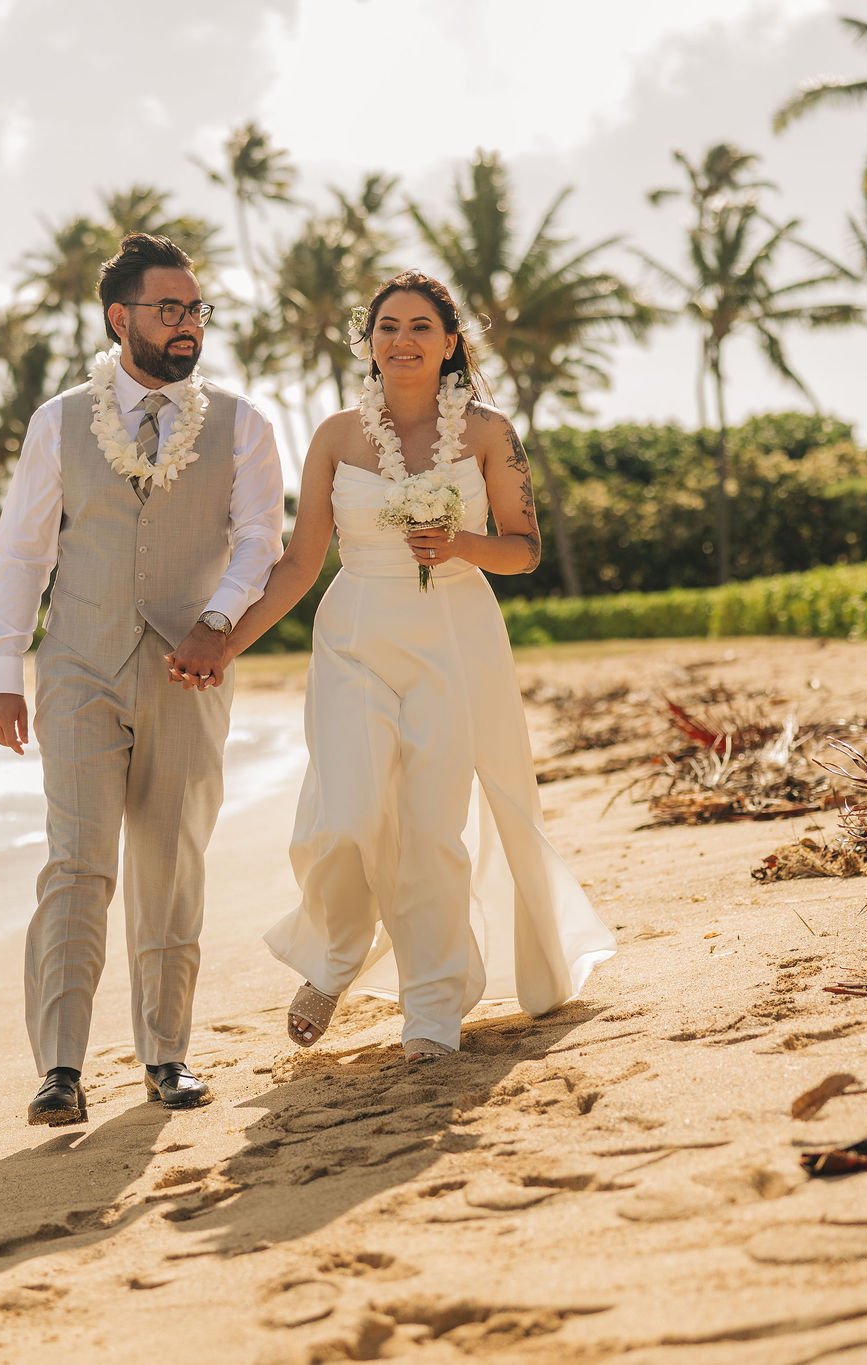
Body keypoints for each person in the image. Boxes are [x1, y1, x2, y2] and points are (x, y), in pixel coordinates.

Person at [210, 270, 615, 1063]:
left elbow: (525, 548)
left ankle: (431, 1011)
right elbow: (298, 563)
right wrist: (225, 640)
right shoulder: (332, 436)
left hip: (456, 635)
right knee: (345, 815)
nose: (402, 340)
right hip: (355, 633)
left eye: (421, 327)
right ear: (369, 341)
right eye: (387, 326)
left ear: (451, 343)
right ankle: (332, 956)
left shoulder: (491, 431)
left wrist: (460, 544)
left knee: (433, 829)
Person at [0, 233, 284, 1125]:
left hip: (193, 673)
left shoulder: (244, 423)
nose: (188, 325)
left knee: (171, 861)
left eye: (196, 310)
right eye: (169, 309)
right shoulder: (58, 421)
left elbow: (261, 542)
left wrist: (218, 621)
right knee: (76, 864)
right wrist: (4, 668)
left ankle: (166, 1054)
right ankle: (61, 1070)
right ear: (121, 318)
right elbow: (23, 551)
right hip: (78, 664)